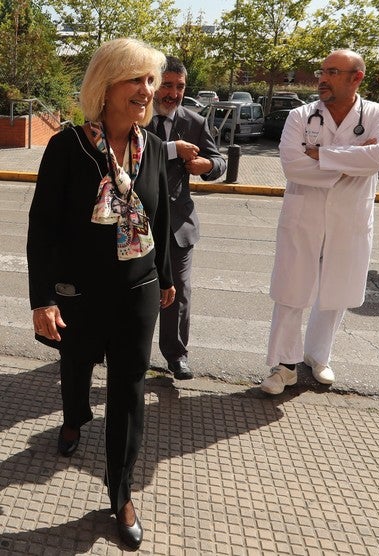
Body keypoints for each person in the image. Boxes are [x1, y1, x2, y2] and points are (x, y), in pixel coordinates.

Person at [26, 38, 175, 550]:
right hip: (79, 292)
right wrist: (42, 298)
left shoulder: (151, 147)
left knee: (128, 389)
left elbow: (160, 218)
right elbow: (42, 227)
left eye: (150, 81)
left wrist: (168, 277)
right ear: (105, 85)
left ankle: (121, 489)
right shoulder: (68, 147)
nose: (146, 89)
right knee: (75, 365)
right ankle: (72, 418)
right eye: (136, 78)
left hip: (138, 290)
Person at [260, 49, 379, 395]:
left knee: (336, 290)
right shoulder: (300, 116)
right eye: (322, 70)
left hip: (349, 218)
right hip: (303, 215)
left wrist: (322, 156)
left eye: (332, 72)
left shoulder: (378, 113)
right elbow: (292, 165)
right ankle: (283, 365)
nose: (322, 78)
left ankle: (319, 356)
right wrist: (351, 165)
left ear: (356, 77)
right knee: (291, 289)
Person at [145, 56, 226, 380]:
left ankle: (176, 356)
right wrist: (173, 148)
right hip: (139, 225)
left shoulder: (195, 121)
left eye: (179, 86)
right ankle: (115, 350)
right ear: (153, 84)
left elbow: (218, 160)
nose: (173, 93)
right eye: (167, 85)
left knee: (178, 292)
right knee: (129, 292)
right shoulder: (138, 118)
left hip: (179, 225)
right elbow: (130, 154)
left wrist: (208, 167)